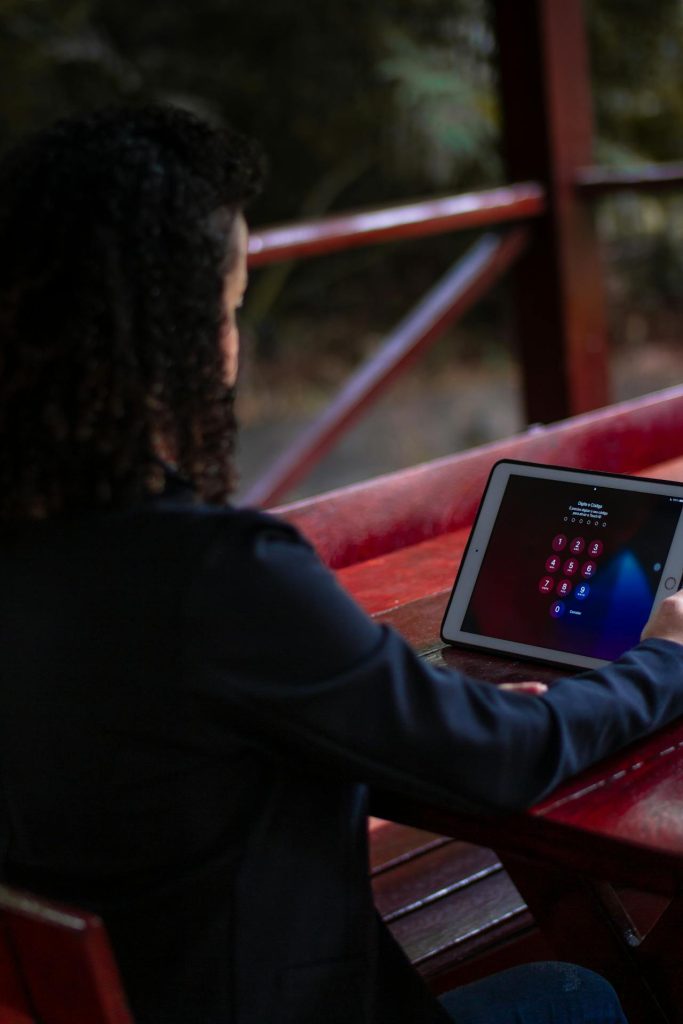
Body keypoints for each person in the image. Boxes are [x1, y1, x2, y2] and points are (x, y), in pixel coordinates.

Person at [0, 105, 682, 1024]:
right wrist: (667, 654)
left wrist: (399, 698)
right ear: (168, 339)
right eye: (228, 307)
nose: (233, 346)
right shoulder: (214, 575)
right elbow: (499, 763)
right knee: (575, 994)